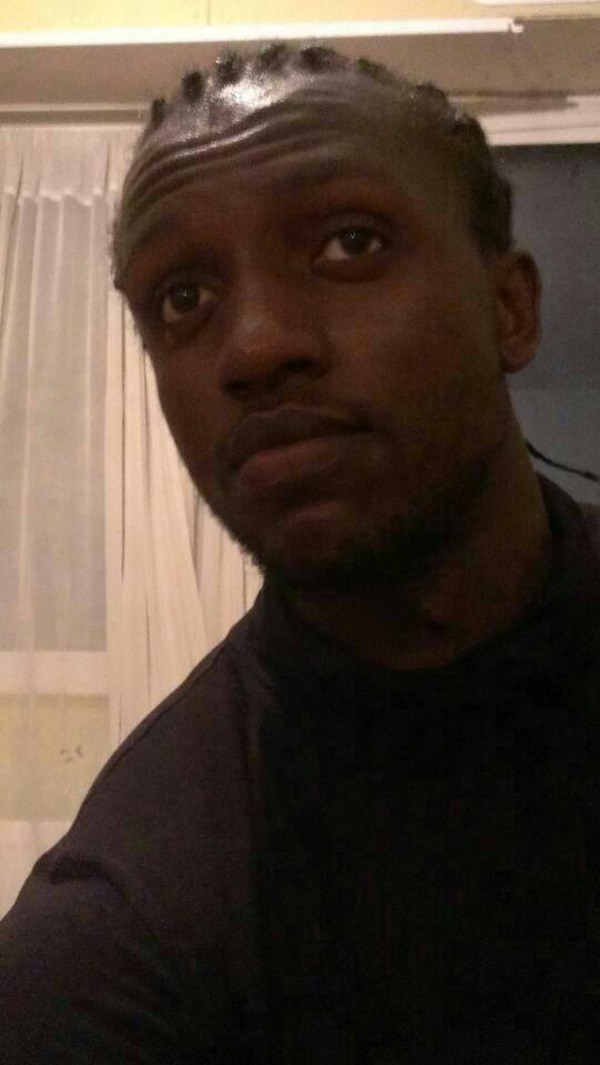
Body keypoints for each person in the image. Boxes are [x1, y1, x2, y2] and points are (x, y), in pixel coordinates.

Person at [1, 41, 599, 1064]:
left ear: (509, 308)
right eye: (183, 299)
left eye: (349, 243)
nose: (254, 347)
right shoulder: (126, 924)